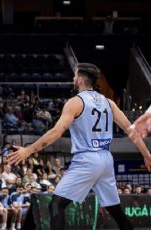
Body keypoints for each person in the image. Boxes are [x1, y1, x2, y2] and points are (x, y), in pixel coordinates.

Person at [8, 63, 151, 230]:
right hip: (106, 159)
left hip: (87, 158)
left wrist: (28, 150)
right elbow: (132, 130)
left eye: (75, 76)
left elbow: (56, 132)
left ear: (81, 80)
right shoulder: (108, 102)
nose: (73, 79)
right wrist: (147, 155)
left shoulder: (75, 102)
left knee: (56, 205)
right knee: (115, 210)